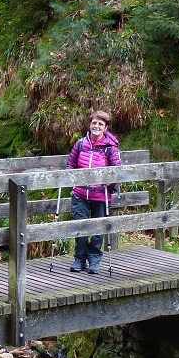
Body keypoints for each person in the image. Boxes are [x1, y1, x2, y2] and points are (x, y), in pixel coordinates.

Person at [65, 110, 121, 274]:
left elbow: (116, 170)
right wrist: (73, 184)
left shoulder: (110, 148)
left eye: (100, 124)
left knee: (97, 230)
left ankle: (94, 261)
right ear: (90, 125)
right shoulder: (80, 144)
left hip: (100, 195)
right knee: (80, 227)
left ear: (106, 127)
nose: (96, 126)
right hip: (80, 194)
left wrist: (109, 182)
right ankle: (79, 259)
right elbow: (70, 166)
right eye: (94, 123)